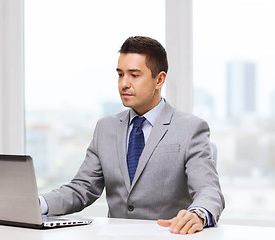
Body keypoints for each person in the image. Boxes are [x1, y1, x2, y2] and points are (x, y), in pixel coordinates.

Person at [39, 36, 225, 234]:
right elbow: (81, 188)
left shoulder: (191, 128)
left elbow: (209, 190)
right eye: (120, 74)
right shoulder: (105, 128)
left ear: (159, 80)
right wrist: (37, 204)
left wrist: (197, 214)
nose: (124, 84)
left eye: (134, 75)